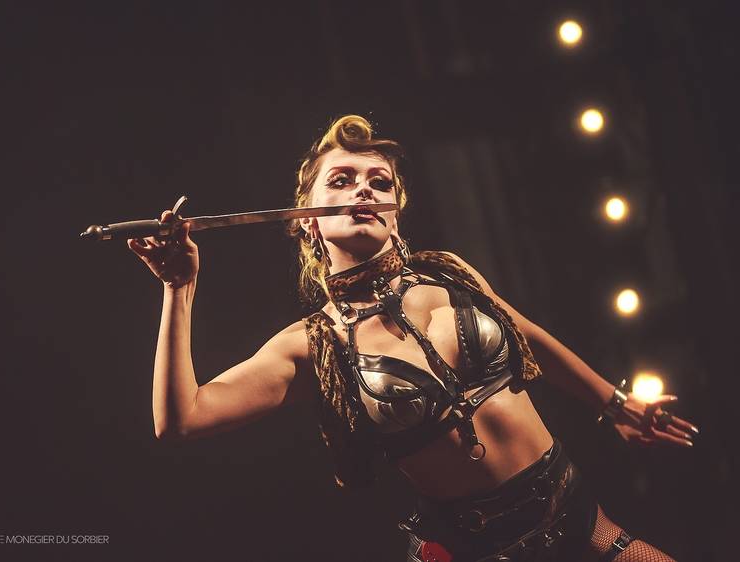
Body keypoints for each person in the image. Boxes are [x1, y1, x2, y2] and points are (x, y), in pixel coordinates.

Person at [127, 115, 698, 561]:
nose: (364, 190)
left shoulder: (448, 274)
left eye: (380, 183)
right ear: (307, 220)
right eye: (342, 180)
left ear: (395, 215)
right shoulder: (309, 344)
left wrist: (614, 403)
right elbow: (181, 418)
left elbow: (529, 337)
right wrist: (179, 288)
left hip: (583, 524)